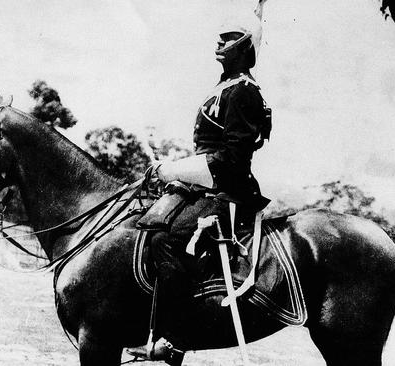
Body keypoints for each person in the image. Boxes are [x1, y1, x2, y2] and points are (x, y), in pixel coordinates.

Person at [128, 2, 271, 364]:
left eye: (227, 39)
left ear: (245, 45)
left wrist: (174, 170)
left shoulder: (243, 92)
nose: (218, 44)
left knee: (164, 240)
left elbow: (232, 162)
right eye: (219, 38)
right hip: (208, 186)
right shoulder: (225, 88)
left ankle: (173, 340)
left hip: (229, 193)